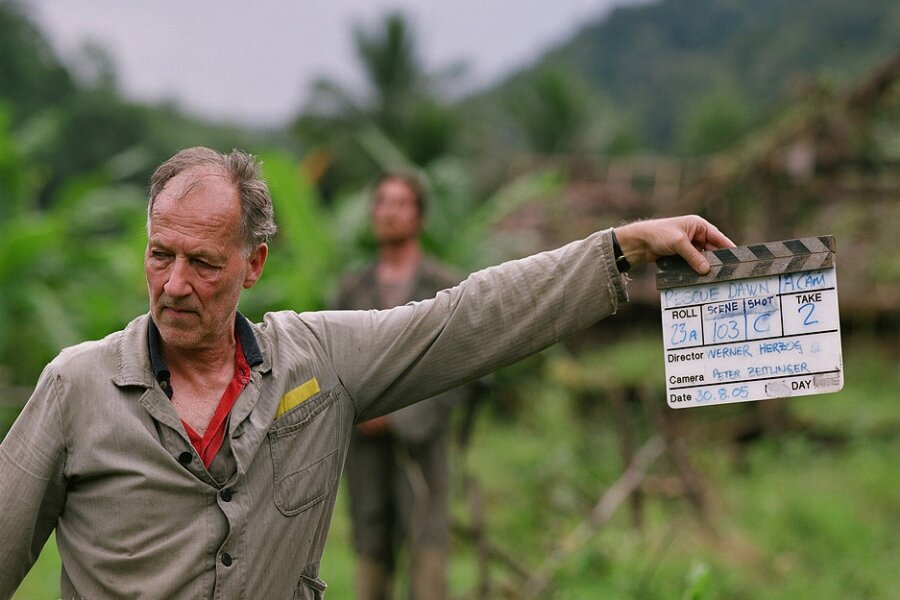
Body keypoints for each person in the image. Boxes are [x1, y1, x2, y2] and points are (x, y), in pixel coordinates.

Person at [0, 146, 734, 600]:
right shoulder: (76, 388)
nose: (175, 284)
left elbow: (466, 319)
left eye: (204, 263)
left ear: (253, 265)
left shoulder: (316, 362)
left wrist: (620, 248)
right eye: (161, 255)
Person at [333, 173, 476, 600]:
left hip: (423, 442)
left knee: (427, 539)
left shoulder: (443, 286)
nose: (389, 211)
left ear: (420, 216)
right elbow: (333, 359)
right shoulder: (353, 287)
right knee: (370, 538)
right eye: (381, 202)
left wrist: (398, 417)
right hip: (364, 445)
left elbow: (463, 367)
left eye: (401, 203)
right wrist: (359, 412)